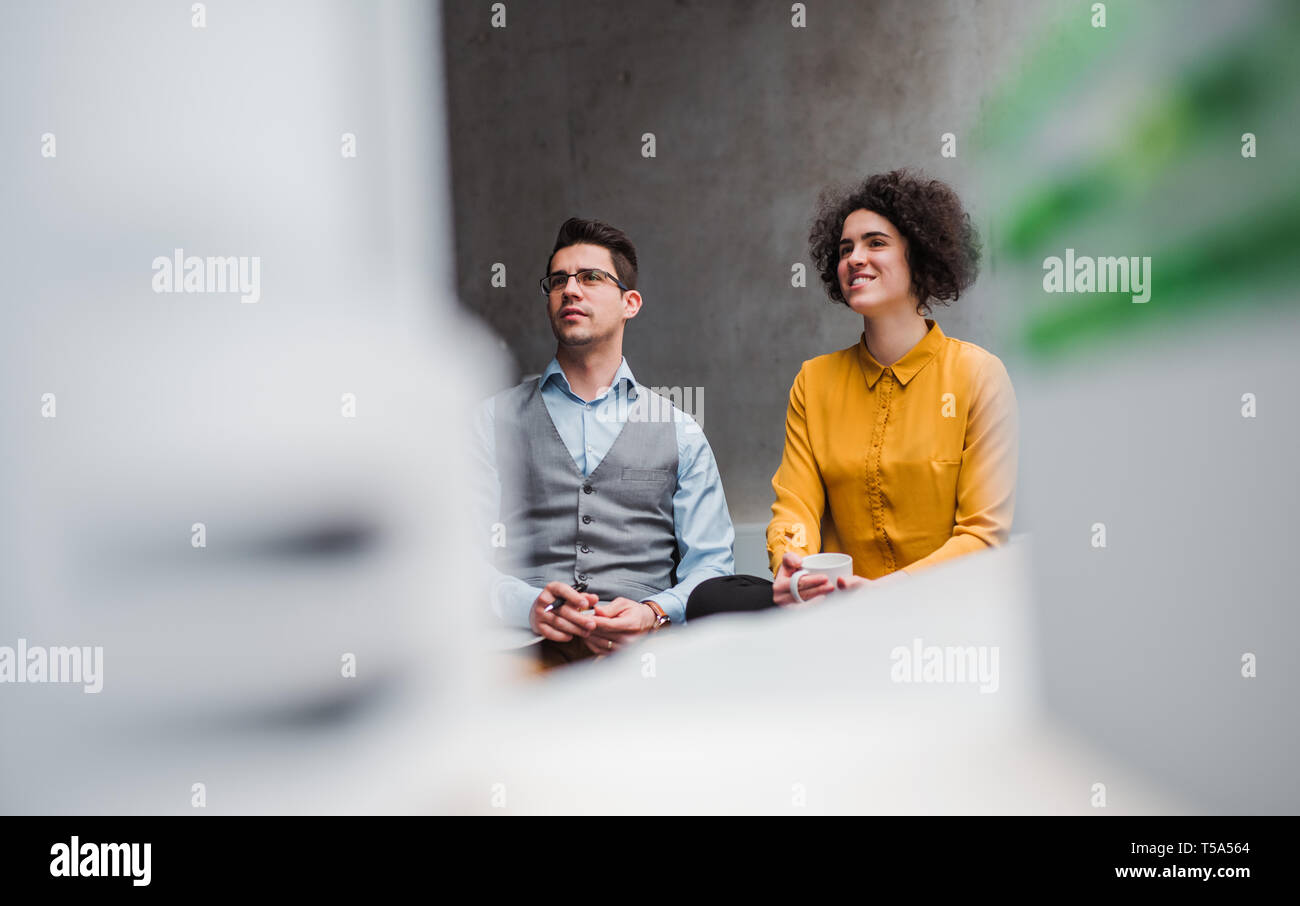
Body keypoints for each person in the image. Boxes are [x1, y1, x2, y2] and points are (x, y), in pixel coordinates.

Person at [687, 170, 1018, 618]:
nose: (855, 258)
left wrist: (888, 593)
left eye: (875, 243)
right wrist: (794, 566)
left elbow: (982, 535)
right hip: (836, 613)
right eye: (845, 249)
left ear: (919, 258)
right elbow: (795, 507)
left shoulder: (978, 375)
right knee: (712, 598)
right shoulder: (814, 380)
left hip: (943, 614)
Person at [473, 217, 735, 666]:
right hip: (520, 658)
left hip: (646, 663)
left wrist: (653, 613)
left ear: (630, 303)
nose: (570, 290)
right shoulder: (491, 419)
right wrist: (527, 607)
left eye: (591, 278)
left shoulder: (680, 429)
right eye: (559, 280)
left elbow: (711, 568)